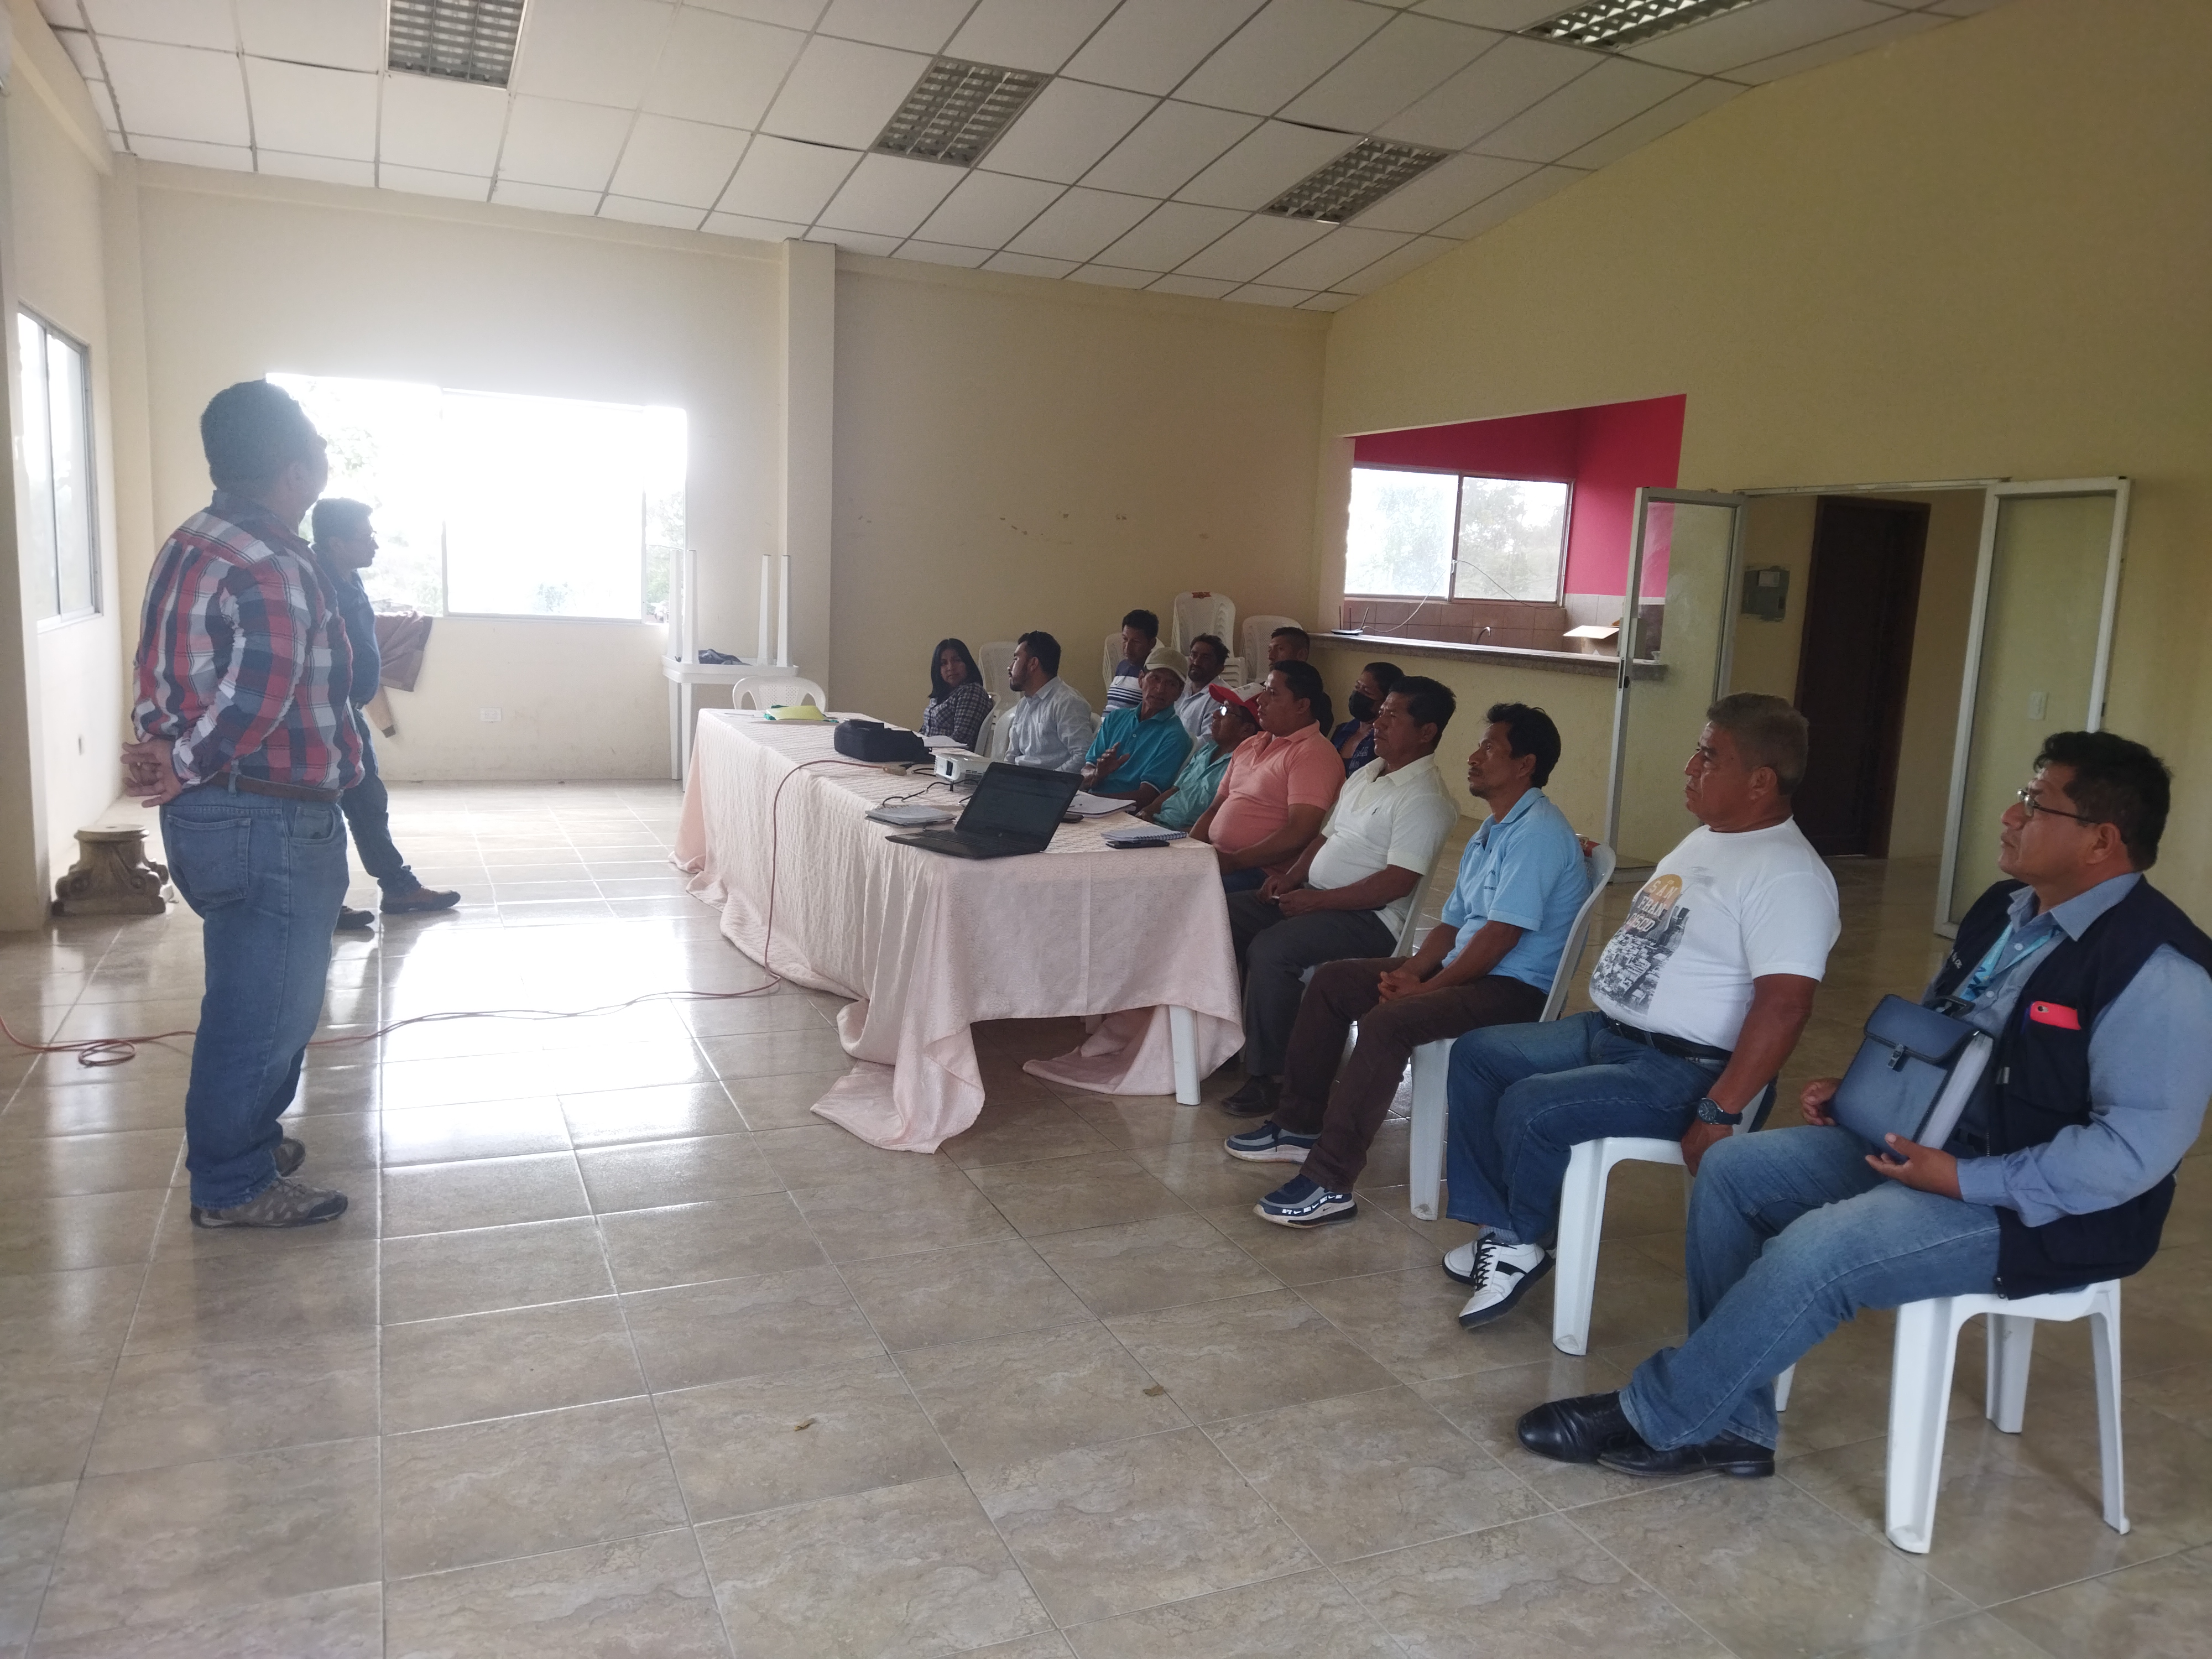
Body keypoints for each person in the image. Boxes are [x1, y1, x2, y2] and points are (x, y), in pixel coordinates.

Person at [1518, 732, 2212, 1480]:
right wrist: (1863, 1095)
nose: (2009, 816)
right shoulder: (2003, 911)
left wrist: (1964, 1179)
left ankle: (1660, 1415)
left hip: (2040, 1211)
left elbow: (2131, 1154)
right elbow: (1937, 1033)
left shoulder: (2158, 969)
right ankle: (1735, 1426)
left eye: (2035, 805)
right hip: (1931, 1148)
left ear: (2101, 841)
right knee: (1734, 1171)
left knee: (1822, 1250)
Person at [1442, 693, 1841, 1329]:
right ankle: (1506, 1225)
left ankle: (1519, 1244)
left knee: (1534, 1104)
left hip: (1689, 1072)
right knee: (1479, 1054)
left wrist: (1719, 1111)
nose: (1689, 767)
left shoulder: (1788, 875)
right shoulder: (1707, 840)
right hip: (1611, 1034)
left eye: (1708, 757)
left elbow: (1786, 1007)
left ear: (1760, 781)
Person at [123, 380, 361, 1229]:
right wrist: (185, 764)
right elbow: (257, 698)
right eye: (317, 448)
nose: (325, 459)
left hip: (224, 815)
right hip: (265, 816)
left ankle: (246, 1141)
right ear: (295, 471)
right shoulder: (272, 562)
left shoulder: (197, 538)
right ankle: (232, 1183)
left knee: (252, 991)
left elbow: (175, 673)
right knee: (264, 1010)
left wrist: (170, 764)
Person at [1233, 703, 1592, 1229]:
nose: (1473, 757)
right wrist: (1415, 972)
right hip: (1472, 970)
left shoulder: (1537, 833)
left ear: (1525, 764)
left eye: (1490, 748)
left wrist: (1428, 988)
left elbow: (1499, 938)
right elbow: (1452, 924)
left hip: (1513, 989)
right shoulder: (1492, 829)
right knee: (1335, 982)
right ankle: (1298, 1125)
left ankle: (1330, 1182)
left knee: (1389, 1022)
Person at [1218, 676, 1461, 1139]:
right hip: (1317, 897)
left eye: (1393, 717)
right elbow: (1325, 838)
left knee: (1273, 949)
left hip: (1368, 920)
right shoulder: (1367, 774)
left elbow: (1396, 883)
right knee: (1220, 915)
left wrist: (1317, 901)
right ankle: (1224, 1041)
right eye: (1381, 713)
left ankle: (1272, 1076)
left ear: (1427, 732)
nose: (1379, 723)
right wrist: (1291, 879)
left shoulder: (1425, 798)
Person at [309, 499, 461, 929]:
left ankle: (397, 887)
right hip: (320, 713)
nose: (374, 544)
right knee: (325, 807)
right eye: (365, 537)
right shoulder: (314, 581)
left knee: (367, 799)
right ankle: (323, 902)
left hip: (347, 709)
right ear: (336, 543)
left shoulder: (349, 576)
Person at [1190, 660, 1341, 895]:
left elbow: (1300, 832)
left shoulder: (1313, 754)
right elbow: (1214, 810)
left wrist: (1234, 861)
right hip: (1218, 859)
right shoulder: (1250, 744)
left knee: (1182, 895)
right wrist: (1190, 850)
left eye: (1273, 694)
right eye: (1264, 691)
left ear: (1302, 705)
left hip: (1260, 873)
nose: (1261, 700)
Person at [1138, 690, 1258, 833]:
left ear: (1246, 730)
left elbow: (1220, 822)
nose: (1215, 714)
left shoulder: (1245, 766)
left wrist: (1175, 835)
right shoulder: (1207, 749)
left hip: (1184, 835)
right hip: (1158, 825)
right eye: (1220, 707)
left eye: (1226, 711)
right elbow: (1176, 789)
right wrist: (1147, 812)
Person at [1081, 650, 1193, 799]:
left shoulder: (1176, 737)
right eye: (1155, 678)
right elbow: (1085, 772)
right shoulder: (1116, 718)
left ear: (1179, 692)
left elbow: (1147, 796)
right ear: (1141, 679)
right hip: (1089, 802)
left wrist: (1098, 801)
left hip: (1122, 810)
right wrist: (1097, 774)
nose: (1160, 689)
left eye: (1171, 684)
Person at [1000, 630, 1093, 774]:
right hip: (1021, 781)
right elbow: (1012, 756)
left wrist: (1050, 781)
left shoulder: (1067, 703)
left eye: (1016, 659)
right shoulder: (1024, 705)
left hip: (1048, 785)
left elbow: (1083, 756)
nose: (1010, 667)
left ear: (1033, 664)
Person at [1329, 660, 1404, 776]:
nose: (1358, 695)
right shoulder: (1342, 730)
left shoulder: (1384, 740)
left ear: (1386, 701)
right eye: (1357, 687)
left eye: (1367, 692)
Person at [921, 637, 992, 750]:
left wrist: (923, 749)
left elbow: (960, 740)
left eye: (957, 660)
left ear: (967, 663)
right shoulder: (941, 694)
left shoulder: (971, 691)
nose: (950, 668)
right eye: (943, 663)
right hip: (929, 753)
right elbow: (924, 733)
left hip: (948, 756)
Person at [1173, 633, 1233, 740]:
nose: (1196, 662)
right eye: (1193, 655)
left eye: (1206, 658)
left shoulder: (1221, 698)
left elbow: (1208, 741)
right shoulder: (1182, 688)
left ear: (1220, 668)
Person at [1105, 609, 1161, 711]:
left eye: (1136, 642)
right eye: (1125, 639)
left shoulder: (1155, 675)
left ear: (1152, 643)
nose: (1128, 648)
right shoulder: (1122, 666)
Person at [1242, 624, 1311, 693]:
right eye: (1269, 650)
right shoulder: (1258, 691)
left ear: (1302, 655)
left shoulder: (1311, 693)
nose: (1270, 656)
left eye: (1280, 649)